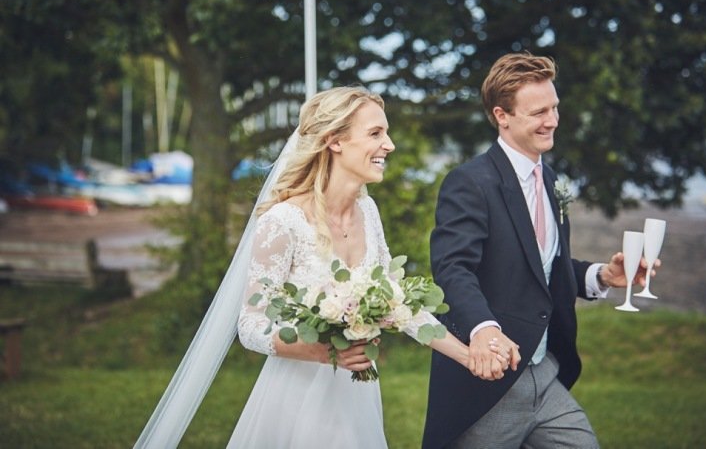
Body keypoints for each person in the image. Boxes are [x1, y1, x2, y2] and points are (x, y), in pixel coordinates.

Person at [422, 52, 660, 449]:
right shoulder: (470, 182)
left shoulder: (548, 178)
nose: (552, 120)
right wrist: (485, 331)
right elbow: (452, 268)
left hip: (546, 374)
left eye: (554, 108)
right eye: (538, 112)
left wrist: (602, 275)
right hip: (491, 384)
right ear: (503, 115)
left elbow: (543, 266)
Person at [227, 86, 470, 448]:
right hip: (297, 397)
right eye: (376, 133)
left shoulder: (368, 212)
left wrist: (469, 356)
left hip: (358, 395)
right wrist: (324, 352)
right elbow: (250, 326)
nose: (389, 145)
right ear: (335, 141)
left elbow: (399, 305)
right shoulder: (284, 222)